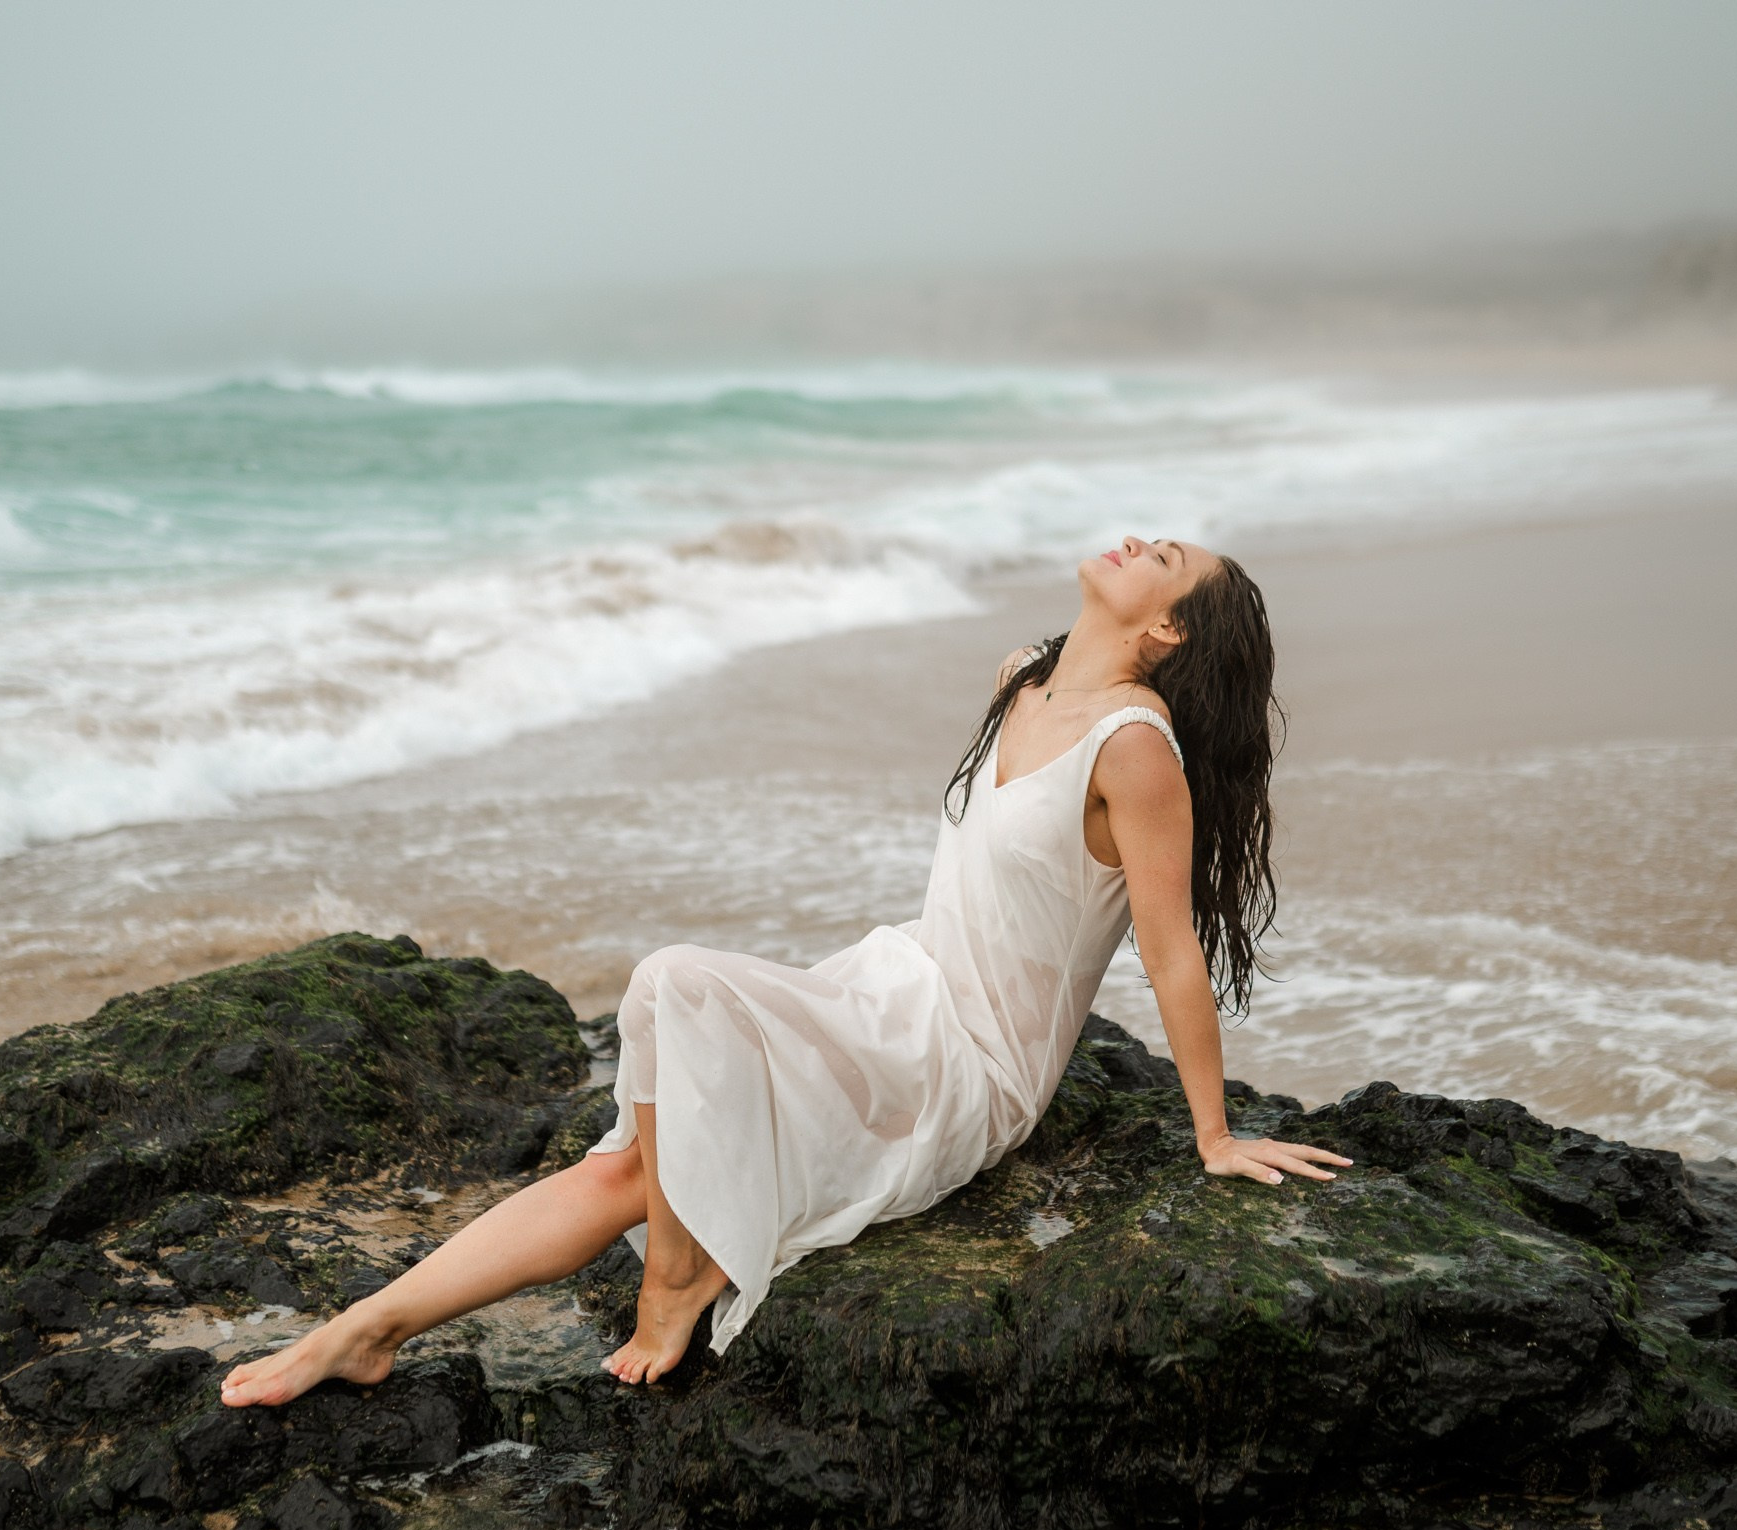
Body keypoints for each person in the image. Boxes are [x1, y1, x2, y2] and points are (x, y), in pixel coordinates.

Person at [219, 534, 1351, 1405]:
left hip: (967, 1066)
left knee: (671, 983)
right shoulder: (1026, 677)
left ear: (1167, 628)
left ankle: (674, 1277)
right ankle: (363, 1330)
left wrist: (1214, 1135)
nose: (1135, 542)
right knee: (632, 1164)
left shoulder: (1135, 751)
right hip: (893, 990)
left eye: (1163, 558)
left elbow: (1170, 953)